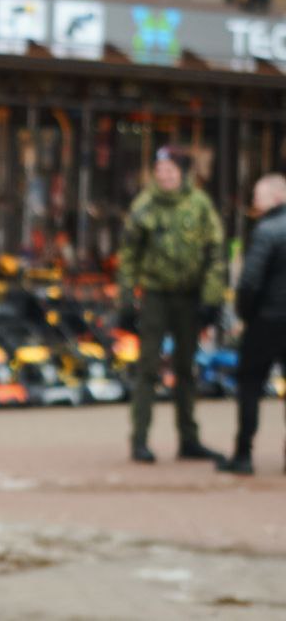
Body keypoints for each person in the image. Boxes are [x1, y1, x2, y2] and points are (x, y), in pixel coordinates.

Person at [117, 146, 226, 465]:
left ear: (182, 173)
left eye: (170, 170)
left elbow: (215, 253)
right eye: (160, 170)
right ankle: (140, 440)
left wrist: (211, 298)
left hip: (189, 297)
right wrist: (126, 300)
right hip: (155, 295)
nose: (164, 176)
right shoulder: (144, 206)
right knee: (148, 367)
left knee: (186, 368)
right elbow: (128, 256)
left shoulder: (200, 204)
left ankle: (188, 439)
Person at [218, 173, 286, 475]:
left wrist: (245, 314)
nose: (254, 202)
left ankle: (243, 453)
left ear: (277, 197)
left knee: (250, 385)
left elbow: (249, 282)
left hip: (266, 320)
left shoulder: (266, 230)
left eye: (259, 196)